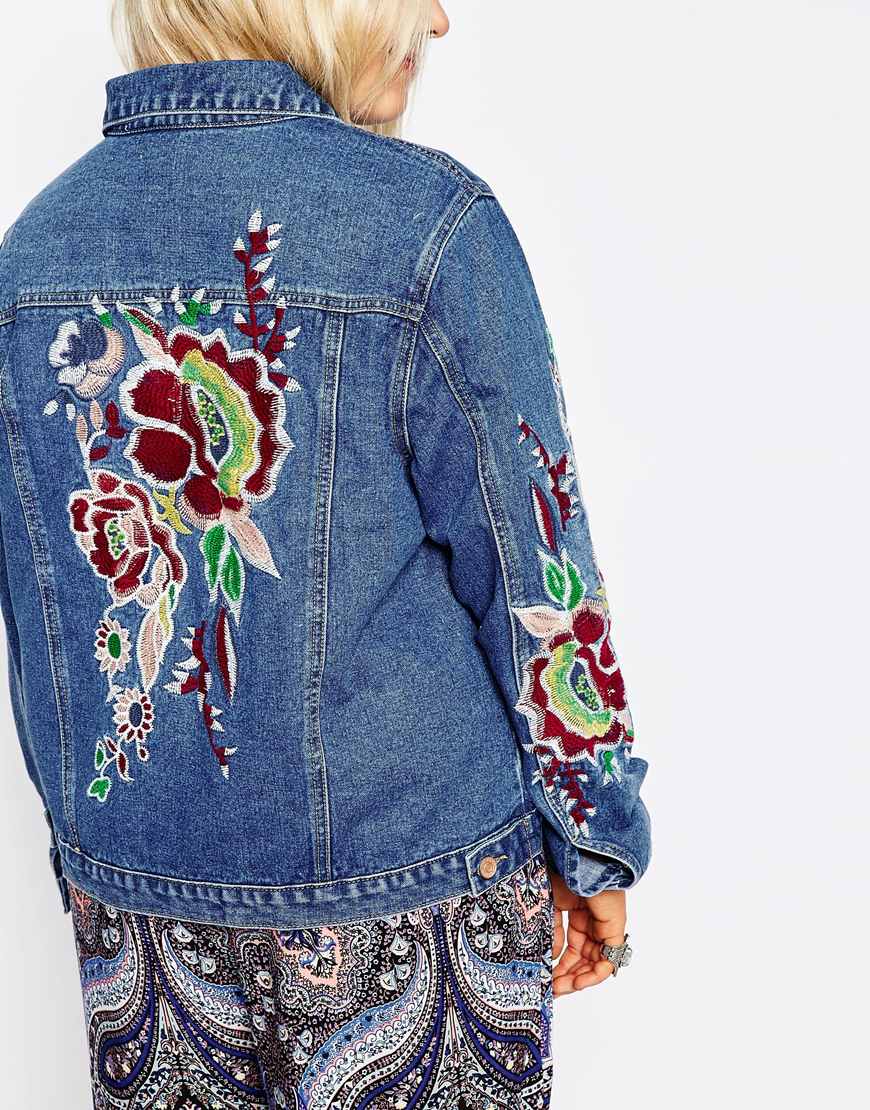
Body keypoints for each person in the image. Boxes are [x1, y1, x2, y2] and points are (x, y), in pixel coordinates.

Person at [0, 1, 651, 1105]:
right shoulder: (428, 227)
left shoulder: (30, 257)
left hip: (141, 925)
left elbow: (36, 622)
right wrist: (595, 839)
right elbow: (537, 569)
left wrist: (97, 867)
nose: (438, 20)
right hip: (421, 896)